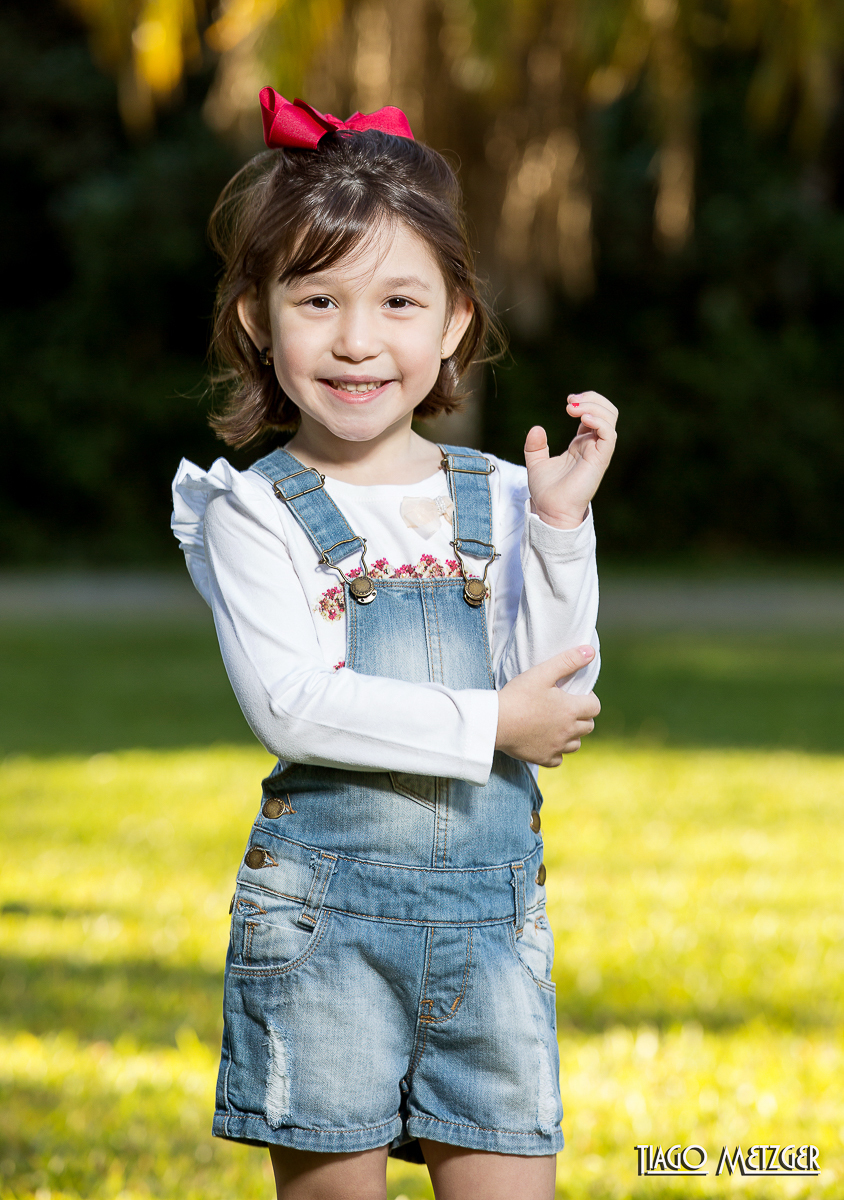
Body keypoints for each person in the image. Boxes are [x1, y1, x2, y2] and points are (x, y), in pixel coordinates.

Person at [171, 90, 617, 1200]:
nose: (358, 339)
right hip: (324, 942)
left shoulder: (510, 494)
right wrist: (488, 722)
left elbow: (558, 696)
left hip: (495, 935)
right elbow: (294, 704)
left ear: (456, 320)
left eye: (398, 301)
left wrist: (561, 534)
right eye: (316, 299)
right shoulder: (252, 511)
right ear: (257, 321)